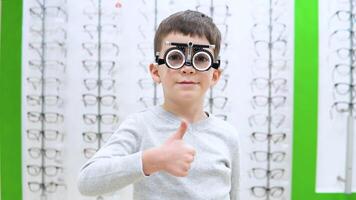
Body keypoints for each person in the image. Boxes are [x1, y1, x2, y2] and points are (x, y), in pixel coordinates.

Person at [78, 10, 240, 200]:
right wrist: (152, 160)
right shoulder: (141, 126)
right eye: (175, 57)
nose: (187, 68)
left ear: (214, 75)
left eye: (201, 59)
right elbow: (87, 181)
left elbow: (234, 194)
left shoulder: (227, 135)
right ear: (156, 72)